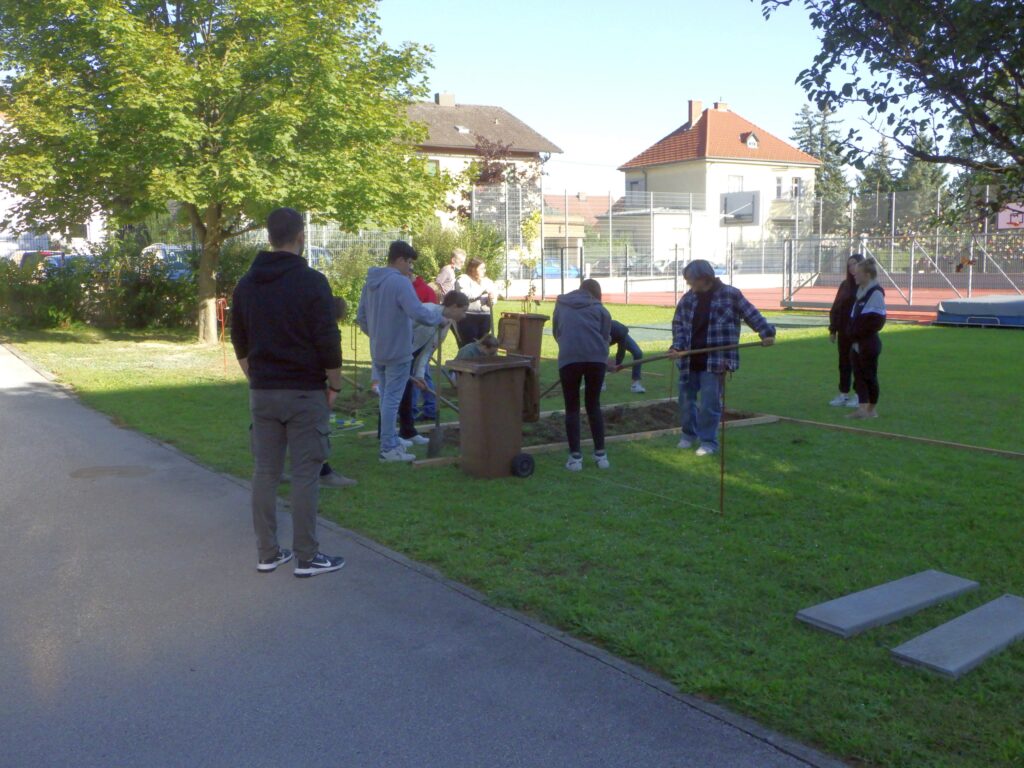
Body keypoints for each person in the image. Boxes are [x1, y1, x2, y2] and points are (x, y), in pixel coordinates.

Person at [230, 207, 345, 578]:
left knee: (264, 472)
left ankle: (267, 552)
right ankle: (307, 557)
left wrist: (256, 374)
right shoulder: (312, 282)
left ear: (269, 237)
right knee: (305, 474)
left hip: (263, 391)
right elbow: (327, 338)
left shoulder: (246, 284)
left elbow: (239, 338)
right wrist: (335, 383)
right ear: (300, 236)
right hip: (303, 391)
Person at [357, 240, 466, 462]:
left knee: (386, 398)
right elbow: (417, 312)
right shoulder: (400, 283)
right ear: (399, 259)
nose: (411, 268)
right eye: (409, 263)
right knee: (391, 400)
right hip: (398, 350)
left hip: (378, 349)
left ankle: (392, 441)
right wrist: (440, 317)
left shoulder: (371, 282)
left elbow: (361, 317)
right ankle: (388, 448)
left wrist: (377, 336)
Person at [669, 260, 775, 457]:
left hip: (716, 360)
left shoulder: (731, 294)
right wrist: (677, 346)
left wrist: (766, 333)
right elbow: (678, 325)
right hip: (689, 360)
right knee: (685, 401)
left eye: (691, 280)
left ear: (703, 278)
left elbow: (752, 314)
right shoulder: (687, 299)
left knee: (710, 403)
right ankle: (688, 435)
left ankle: (708, 442)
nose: (689, 285)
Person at [553, 279, 612, 471]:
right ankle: (601, 455)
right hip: (596, 359)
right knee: (593, 405)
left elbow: (556, 332)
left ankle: (575, 458)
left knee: (572, 407)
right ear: (597, 293)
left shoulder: (561, 305)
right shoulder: (601, 309)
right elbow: (606, 336)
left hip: (569, 359)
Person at [847, 257, 886, 419]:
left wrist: (858, 334)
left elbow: (877, 321)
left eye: (858, 273)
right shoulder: (860, 294)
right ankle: (862, 408)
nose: (854, 275)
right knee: (858, 376)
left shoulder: (875, 293)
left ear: (868, 275)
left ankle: (871, 409)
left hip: (868, 344)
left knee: (869, 375)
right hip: (856, 344)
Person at [827, 253, 865, 408]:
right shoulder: (844, 285)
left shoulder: (865, 286)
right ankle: (843, 394)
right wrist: (833, 329)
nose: (851, 268)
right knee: (844, 363)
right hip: (844, 331)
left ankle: (858, 395)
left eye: (854, 264)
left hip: (858, 332)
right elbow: (836, 307)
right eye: (849, 265)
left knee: (858, 363)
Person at [454, 258, 496, 347]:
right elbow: (464, 296)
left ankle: (481, 361)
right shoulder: (463, 279)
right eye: (481, 268)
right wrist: (482, 289)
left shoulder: (487, 281)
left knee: (484, 346)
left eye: (484, 268)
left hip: (485, 316)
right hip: (468, 317)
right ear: (473, 268)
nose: (484, 271)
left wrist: (491, 299)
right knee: (469, 345)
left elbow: (493, 299)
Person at [609, 319, 646, 394]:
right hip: (600, 337)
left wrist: (617, 365)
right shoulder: (597, 331)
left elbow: (621, 350)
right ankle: (599, 382)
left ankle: (635, 385)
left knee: (638, 353)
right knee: (600, 356)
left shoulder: (621, 331)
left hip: (618, 333)